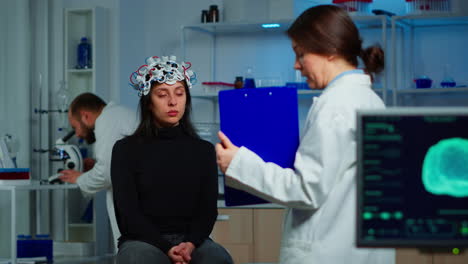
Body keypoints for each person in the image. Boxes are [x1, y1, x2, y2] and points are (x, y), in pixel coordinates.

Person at [216, 5, 395, 264]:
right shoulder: (369, 100)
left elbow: (307, 190)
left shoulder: (336, 105)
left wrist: (238, 164)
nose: (296, 66)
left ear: (330, 51)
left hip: (327, 252)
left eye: (301, 54)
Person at [111, 55, 233, 264]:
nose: (173, 101)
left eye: (179, 93)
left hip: (193, 241)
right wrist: (167, 248)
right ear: (149, 102)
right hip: (143, 241)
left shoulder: (203, 150)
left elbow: (207, 211)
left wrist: (191, 244)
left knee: (218, 258)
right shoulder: (125, 150)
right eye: (162, 94)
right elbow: (128, 214)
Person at [59, 92, 138, 253]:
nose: (78, 135)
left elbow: (106, 173)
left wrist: (79, 178)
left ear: (85, 116)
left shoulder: (107, 120)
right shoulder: (117, 115)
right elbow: (122, 164)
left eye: (75, 127)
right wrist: (96, 165)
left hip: (140, 206)